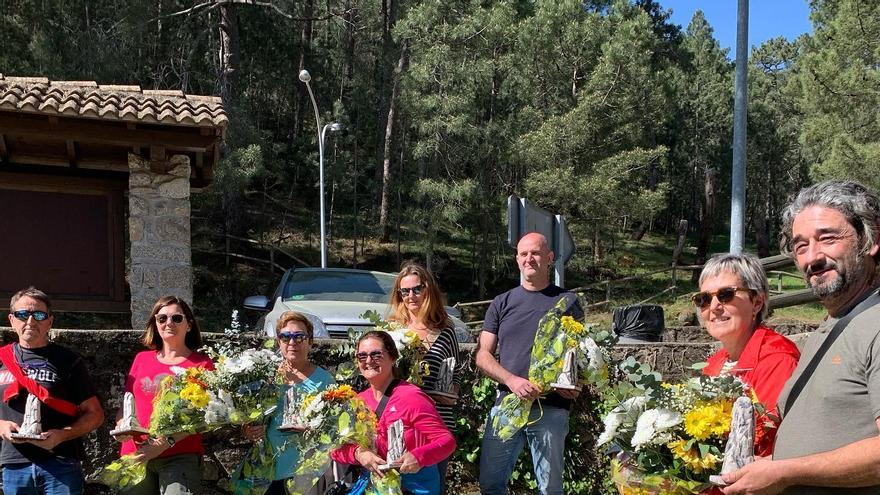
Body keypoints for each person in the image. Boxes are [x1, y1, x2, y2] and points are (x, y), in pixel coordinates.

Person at [722, 180, 880, 495]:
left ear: (871, 240)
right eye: (801, 245)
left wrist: (785, 472)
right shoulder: (833, 326)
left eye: (828, 238)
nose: (812, 258)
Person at [476, 232, 582, 495]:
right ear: (517, 259)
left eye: (535, 253)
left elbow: (578, 353)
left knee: (550, 488)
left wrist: (573, 382)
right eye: (523, 254)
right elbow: (483, 355)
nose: (529, 259)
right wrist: (511, 380)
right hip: (507, 406)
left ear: (550, 258)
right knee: (491, 485)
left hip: (551, 407)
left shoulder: (568, 301)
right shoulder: (502, 302)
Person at [0, 287, 105, 495]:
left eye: (38, 315)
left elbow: (95, 414)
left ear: (49, 321)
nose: (30, 321)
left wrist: (61, 435)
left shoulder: (68, 361)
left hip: (60, 463)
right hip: (14, 464)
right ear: (11, 320)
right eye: (22, 314)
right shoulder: (1, 359)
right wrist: (0, 425)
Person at [695, 253, 800, 457]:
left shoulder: (777, 360)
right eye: (704, 299)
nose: (714, 307)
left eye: (726, 295)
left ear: (757, 303)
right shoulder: (713, 363)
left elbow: (765, 442)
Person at [332, 331, 455, 495]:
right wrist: (359, 454)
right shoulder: (357, 401)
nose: (368, 361)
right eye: (362, 356)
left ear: (393, 358)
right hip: (370, 487)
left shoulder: (411, 397)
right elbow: (334, 449)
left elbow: (447, 441)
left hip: (413, 488)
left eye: (376, 355)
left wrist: (418, 457)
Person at [113, 296, 214, 495]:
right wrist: (121, 425)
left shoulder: (201, 365)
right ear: (155, 324)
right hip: (136, 454)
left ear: (189, 325)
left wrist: (163, 444)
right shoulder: (141, 359)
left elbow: (204, 418)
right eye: (162, 318)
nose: (169, 323)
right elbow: (127, 403)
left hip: (179, 456)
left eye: (177, 318)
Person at [387, 262, 462, 492]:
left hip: (435, 426)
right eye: (405, 291)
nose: (411, 296)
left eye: (417, 289)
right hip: (397, 428)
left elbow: (455, 374)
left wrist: (452, 393)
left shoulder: (446, 331)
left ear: (428, 290)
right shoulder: (390, 330)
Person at [242, 311, 335, 495]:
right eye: (285, 337)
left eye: (299, 337)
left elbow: (335, 428)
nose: (292, 343)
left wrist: (312, 430)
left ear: (310, 341)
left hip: (308, 471)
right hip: (268, 469)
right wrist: (248, 430)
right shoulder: (265, 376)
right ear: (278, 342)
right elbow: (248, 417)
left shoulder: (325, 380)